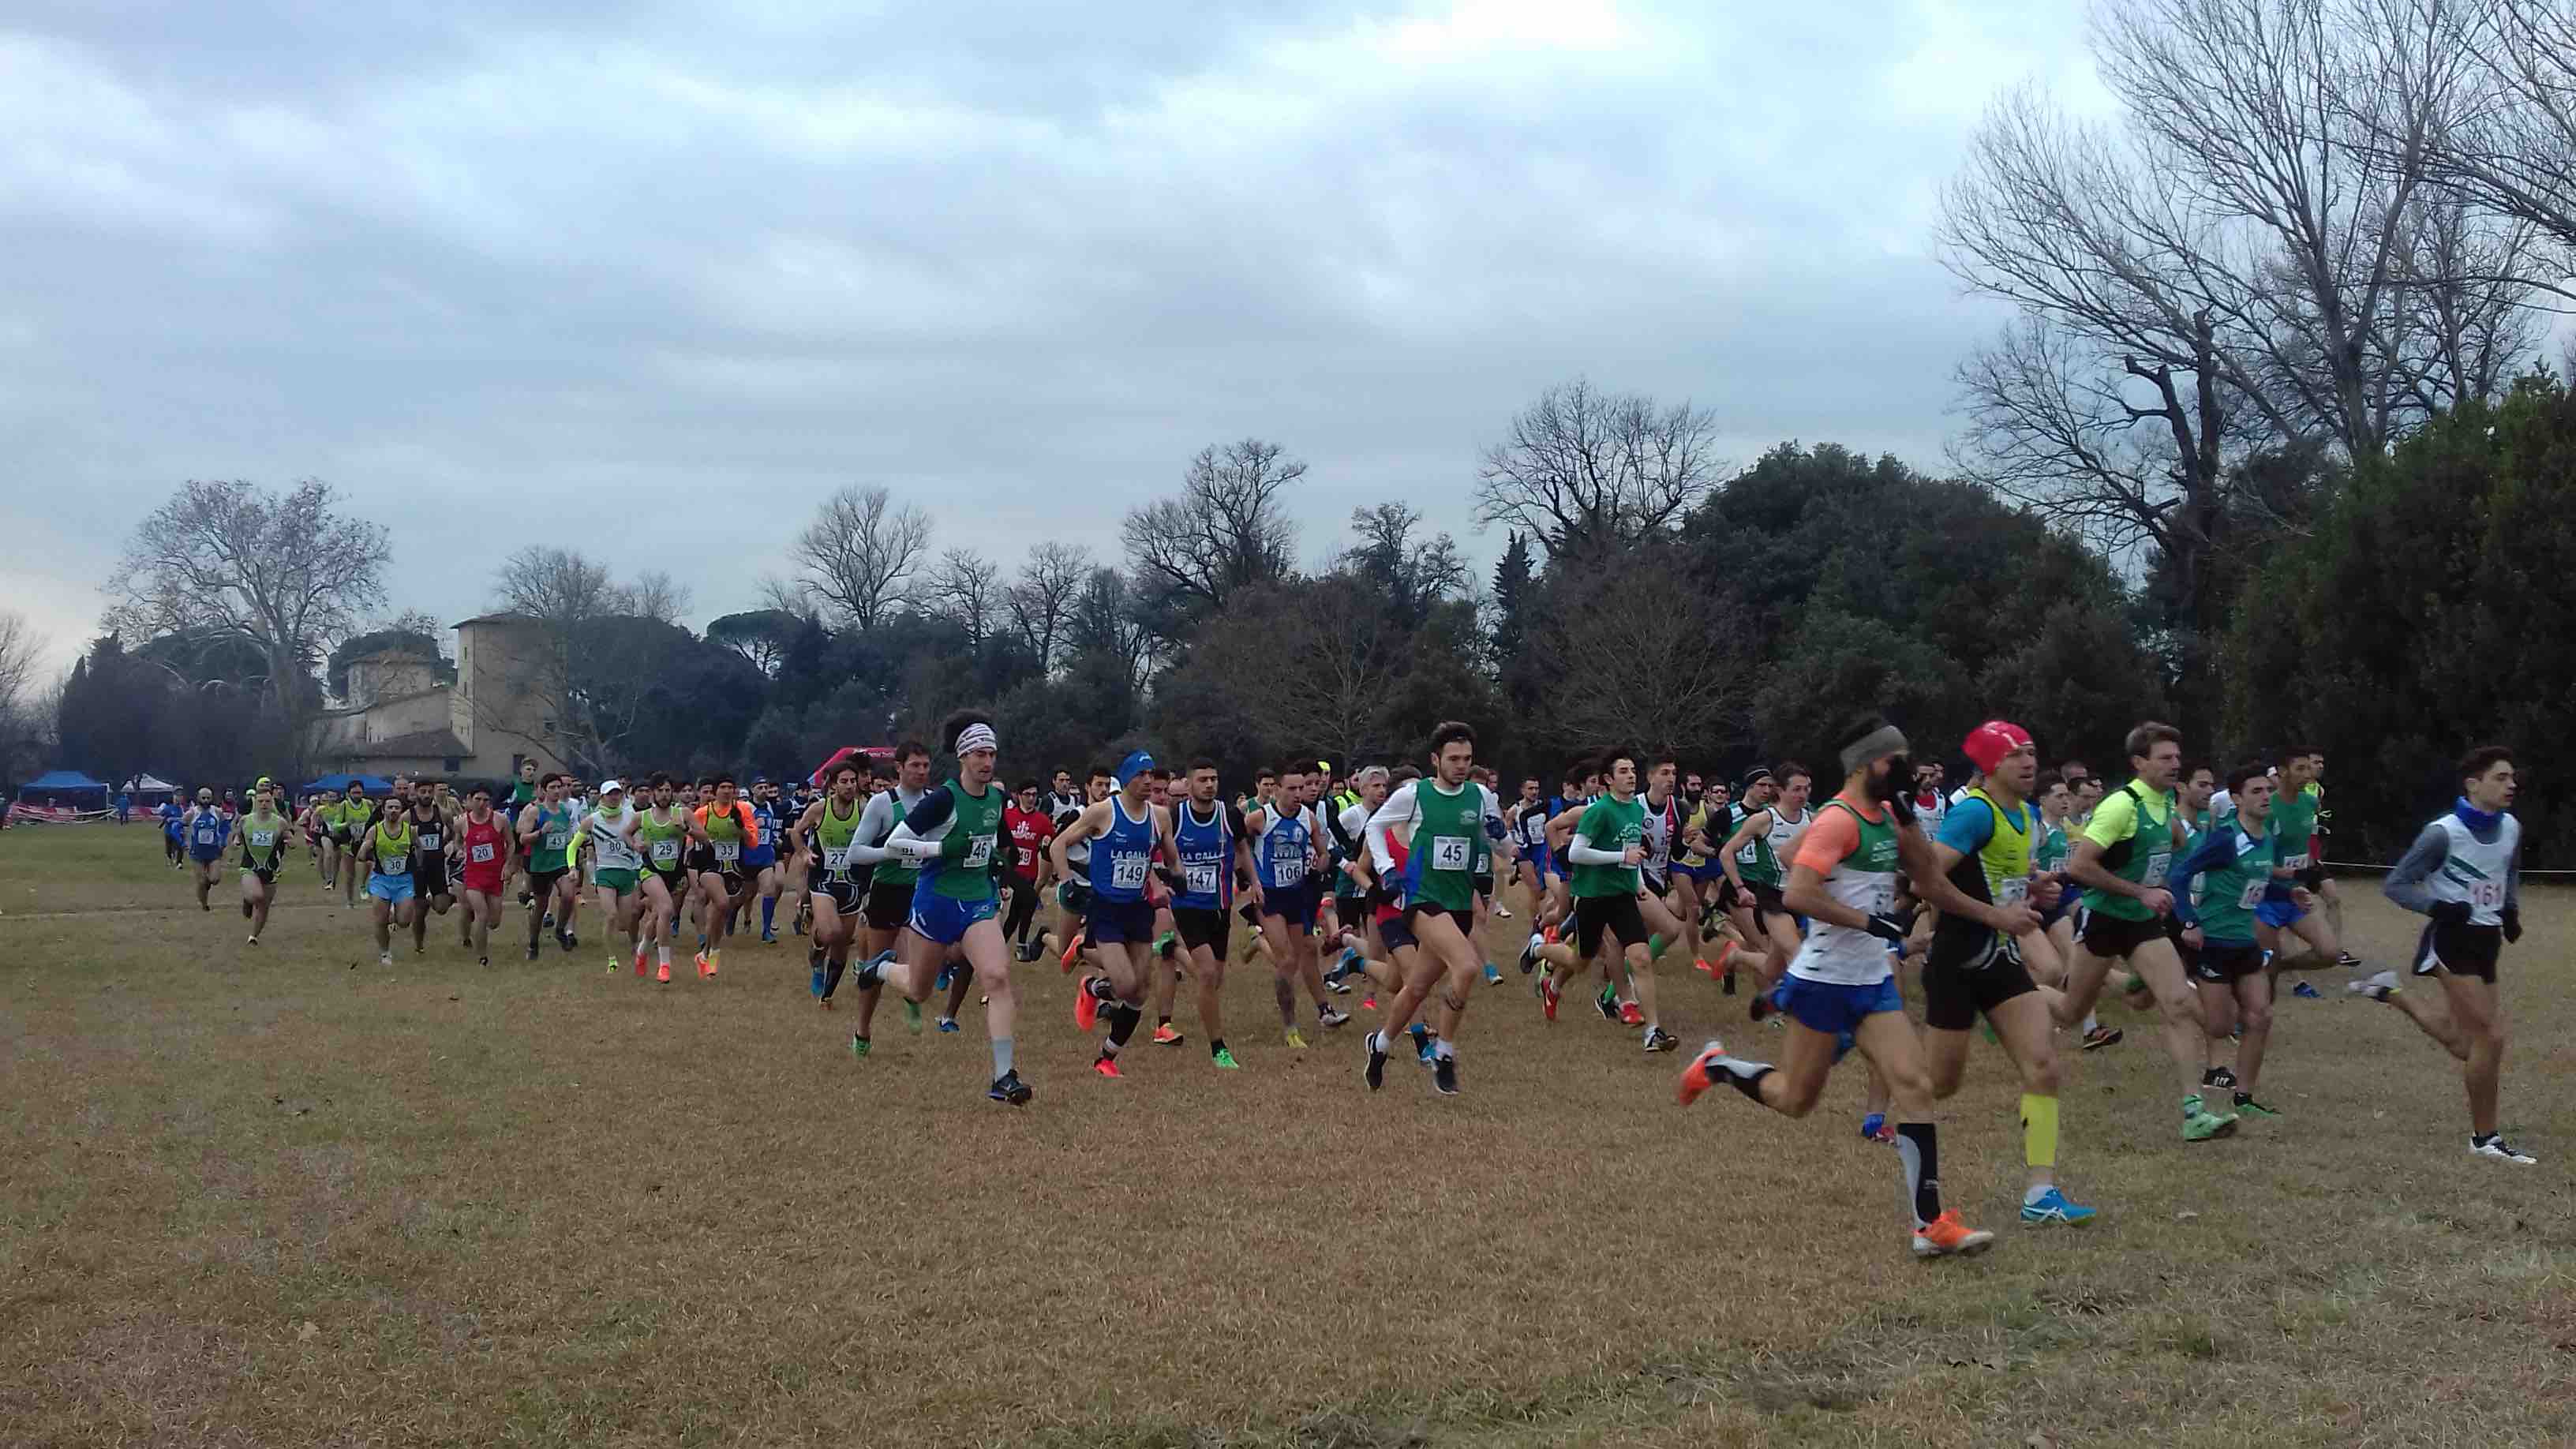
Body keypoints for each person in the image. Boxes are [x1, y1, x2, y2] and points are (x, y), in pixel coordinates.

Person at [1679, 714, 2027, 1259]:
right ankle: (1720, 1066)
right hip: (1825, 979)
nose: (1908, 771)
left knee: (1913, 1085)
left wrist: (1994, 915)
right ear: (1868, 764)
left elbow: (1932, 881)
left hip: (1873, 982)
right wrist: (1870, 920)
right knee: (1795, 1099)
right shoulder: (1838, 821)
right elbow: (1797, 894)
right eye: (1897, 761)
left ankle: (1929, 1224)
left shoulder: (1892, 815)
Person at [1922, 721, 2095, 1225]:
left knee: (2043, 1065)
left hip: (1999, 958)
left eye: (2032, 754)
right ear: (1989, 765)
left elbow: (1996, 880)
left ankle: (2040, 1193)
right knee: (1940, 1084)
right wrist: (1998, 915)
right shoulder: (1975, 812)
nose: (2028, 763)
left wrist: (2033, 888)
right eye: (2015, 755)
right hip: (1956, 961)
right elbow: (1928, 879)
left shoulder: (2022, 815)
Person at [2051, 722, 2238, 1142]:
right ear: (2139, 763)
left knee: (2175, 1003)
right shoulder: (2121, 805)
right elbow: (2080, 867)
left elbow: (2174, 847)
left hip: (2141, 923)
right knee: (2070, 1012)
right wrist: (2142, 890)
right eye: (2165, 758)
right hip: (2103, 920)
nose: (2176, 765)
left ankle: (2194, 1112)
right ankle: (2013, 993)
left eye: (2177, 757)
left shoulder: (2164, 805)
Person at [2352, 745, 2533, 1164]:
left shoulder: (2511, 828)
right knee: (2491, 1036)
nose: (2512, 785)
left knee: (2468, 1044)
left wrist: (2510, 910)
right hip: (2451, 939)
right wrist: (2438, 907)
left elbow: (2509, 869)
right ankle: (2485, 1138)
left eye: (2512, 778)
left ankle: (2391, 992)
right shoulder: (2442, 833)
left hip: (2488, 941)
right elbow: (2396, 884)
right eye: (2501, 778)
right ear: (2473, 784)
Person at [852, 710, 1035, 1106]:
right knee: (918, 990)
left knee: (998, 976)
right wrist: (942, 848)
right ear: (964, 757)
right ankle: (878, 967)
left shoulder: (997, 800)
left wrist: (996, 863)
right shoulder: (943, 799)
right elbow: (896, 844)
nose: (987, 762)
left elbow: (992, 845)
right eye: (979, 754)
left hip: (978, 901)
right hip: (936, 902)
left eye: (992, 754)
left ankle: (1004, 1076)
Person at [1360, 721, 1507, 1096]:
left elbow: (1503, 846)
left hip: (1458, 902)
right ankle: (1443, 1053)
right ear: (1435, 760)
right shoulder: (1415, 795)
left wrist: (1502, 838)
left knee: (1417, 987)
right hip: (1421, 899)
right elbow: (1374, 828)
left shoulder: (1481, 796)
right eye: (1453, 759)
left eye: (1467, 759)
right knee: (1469, 965)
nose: (1460, 765)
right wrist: (1388, 869)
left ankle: (1379, 1045)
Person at [1524, 747, 1679, 1052]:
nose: (1631, 776)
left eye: (1633, 770)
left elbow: (1633, 853)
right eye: (1623, 771)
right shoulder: (1598, 811)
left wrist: (1638, 883)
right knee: (1579, 962)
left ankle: (1653, 1031)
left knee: (1642, 958)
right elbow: (1576, 852)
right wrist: (1622, 856)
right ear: (1608, 780)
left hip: (1622, 896)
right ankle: (1538, 948)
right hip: (1592, 897)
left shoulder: (1635, 809)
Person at [2170, 761, 2293, 1122]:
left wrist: (2288, 894)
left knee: (2261, 1016)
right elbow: (2179, 877)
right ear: (2237, 799)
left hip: (2245, 940)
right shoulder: (2225, 838)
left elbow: (2255, 881)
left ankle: (2245, 1097)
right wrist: (2189, 921)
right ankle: (2177, 993)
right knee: (2221, 1026)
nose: (2266, 796)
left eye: (2267, 790)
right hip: (2213, 940)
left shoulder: (2266, 836)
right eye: (2256, 791)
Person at [1049, 751, 1175, 1076]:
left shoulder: (1160, 817)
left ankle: (1106, 1058)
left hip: (1138, 908)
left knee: (1140, 990)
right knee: (1125, 983)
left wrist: (1177, 877)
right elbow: (1058, 845)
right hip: (1106, 907)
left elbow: (1173, 860)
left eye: (1152, 775)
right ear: (1128, 778)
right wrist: (1066, 883)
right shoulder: (1103, 812)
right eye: (1141, 775)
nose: (1148, 781)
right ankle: (1092, 986)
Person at [1247, 762, 1346, 1046]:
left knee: (1305, 952)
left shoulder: (1308, 818)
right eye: (1291, 788)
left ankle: (1320, 1011)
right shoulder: (1259, 818)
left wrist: (1321, 862)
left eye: (1301, 788)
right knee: (1288, 958)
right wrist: (1249, 878)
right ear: (1276, 789)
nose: (1298, 794)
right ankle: (1290, 1027)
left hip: (1297, 894)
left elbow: (1322, 853)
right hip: (1269, 895)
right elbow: (1238, 845)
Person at [1166, 759, 1251, 1069]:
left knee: (1215, 979)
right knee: (1206, 974)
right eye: (1203, 779)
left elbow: (1243, 849)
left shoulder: (1229, 815)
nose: (1210, 784)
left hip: (1220, 906)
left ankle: (1172, 950)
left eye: (1214, 779)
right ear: (1189, 785)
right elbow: (1153, 854)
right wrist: (1161, 885)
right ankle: (1219, 1049)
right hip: (1187, 906)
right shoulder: (1175, 818)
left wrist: (1254, 882)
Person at [798, 763, 870, 1005]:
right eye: (844, 782)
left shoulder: (865, 809)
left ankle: (826, 997)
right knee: (831, 932)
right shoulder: (819, 809)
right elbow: (795, 833)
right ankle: (817, 961)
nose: (850, 786)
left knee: (841, 945)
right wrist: (804, 852)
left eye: (853, 781)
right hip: (823, 881)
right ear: (832, 785)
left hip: (851, 883)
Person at [623, 775, 699, 983]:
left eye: (667, 790)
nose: (664, 795)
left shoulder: (683, 813)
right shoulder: (643, 817)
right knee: (666, 910)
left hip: (675, 873)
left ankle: (641, 952)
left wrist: (685, 829)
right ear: (653, 793)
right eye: (660, 791)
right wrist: (635, 845)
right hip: (651, 871)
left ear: (672, 792)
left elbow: (703, 837)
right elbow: (626, 833)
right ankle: (664, 965)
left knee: (658, 916)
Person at [516, 773, 581, 962]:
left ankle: (560, 930)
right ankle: (533, 943)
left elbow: (568, 838)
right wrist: (541, 832)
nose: (556, 791)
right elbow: (523, 839)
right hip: (540, 865)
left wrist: (573, 861)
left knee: (569, 895)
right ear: (543, 791)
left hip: (560, 863)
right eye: (552, 787)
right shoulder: (535, 812)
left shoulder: (564, 810)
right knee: (541, 907)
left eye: (558, 787)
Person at [584, 781, 646, 975]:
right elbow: (572, 846)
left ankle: (634, 942)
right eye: (610, 794)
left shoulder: (632, 817)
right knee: (611, 915)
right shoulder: (592, 820)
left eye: (617, 793)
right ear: (602, 797)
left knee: (624, 924)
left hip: (627, 872)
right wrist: (571, 866)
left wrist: (642, 846)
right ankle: (612, 960)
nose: (614, 797)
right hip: (605, 873)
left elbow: (645, 836)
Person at [354, 797, 418, 968]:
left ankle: (393, 911)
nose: (393, 811)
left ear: (401, 811)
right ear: (383, 810)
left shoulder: (410, 830)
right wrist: (366, 850)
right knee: (380, 920)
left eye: (397, 808)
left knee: (404, 922)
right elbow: (361, 855)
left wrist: (416, 864)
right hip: (381, 880)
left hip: (404, 880)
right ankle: (385, 952)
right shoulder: (375, 831)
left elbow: (418, 848)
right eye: (390, 807)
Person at [454, 783, 512, 968]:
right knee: (482, 914)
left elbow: (511, 844)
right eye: (477, 799)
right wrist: (459, 851)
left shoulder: (500, 820)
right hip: (473, 876)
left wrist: (508, 865)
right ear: (470, 800)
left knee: (494, 922)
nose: (481, 803)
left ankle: (479, 929)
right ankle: (483, 957)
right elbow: (457, 842)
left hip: (495, 876)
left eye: (486, 800)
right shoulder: (462, 822)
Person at [234, 781, 299, 945]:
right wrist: (236, 841)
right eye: (261, 801)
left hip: (271, 868)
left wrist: (291, 842)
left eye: (268, 801)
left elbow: (288, 836)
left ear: (272, 803)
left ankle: (253, 936)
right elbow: (238, 835)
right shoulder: (245, 820)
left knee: (264, 906)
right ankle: (248, 899)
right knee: (257, 895)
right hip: (250, 866)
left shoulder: (279, 822)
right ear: (255, 803)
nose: (264, 804)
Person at [402, 779, 459, 955]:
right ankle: (419, 946)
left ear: (433, 793)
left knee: (441, 908)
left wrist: (446, 843)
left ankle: (450, 897)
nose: (426, 795)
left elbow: (454, 831)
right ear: (416, 793)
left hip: (437, 866)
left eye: (429, 792)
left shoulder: (443, 813)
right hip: (417, 868)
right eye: (422, 792)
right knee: (419, 911)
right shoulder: (407, 816)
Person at [181, 788, 232, 910]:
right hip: (197, 852)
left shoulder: (217, 812)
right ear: (198, 798)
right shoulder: (191, 813)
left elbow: (226, 827)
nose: (206, 800)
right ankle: (204, 904)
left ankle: (206, 885)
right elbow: (178, 827)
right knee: (202, 881)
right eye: (203, 798)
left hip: (214, 851)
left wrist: (223, 841)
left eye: (208, 798)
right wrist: (183, 843)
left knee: (215, 879)